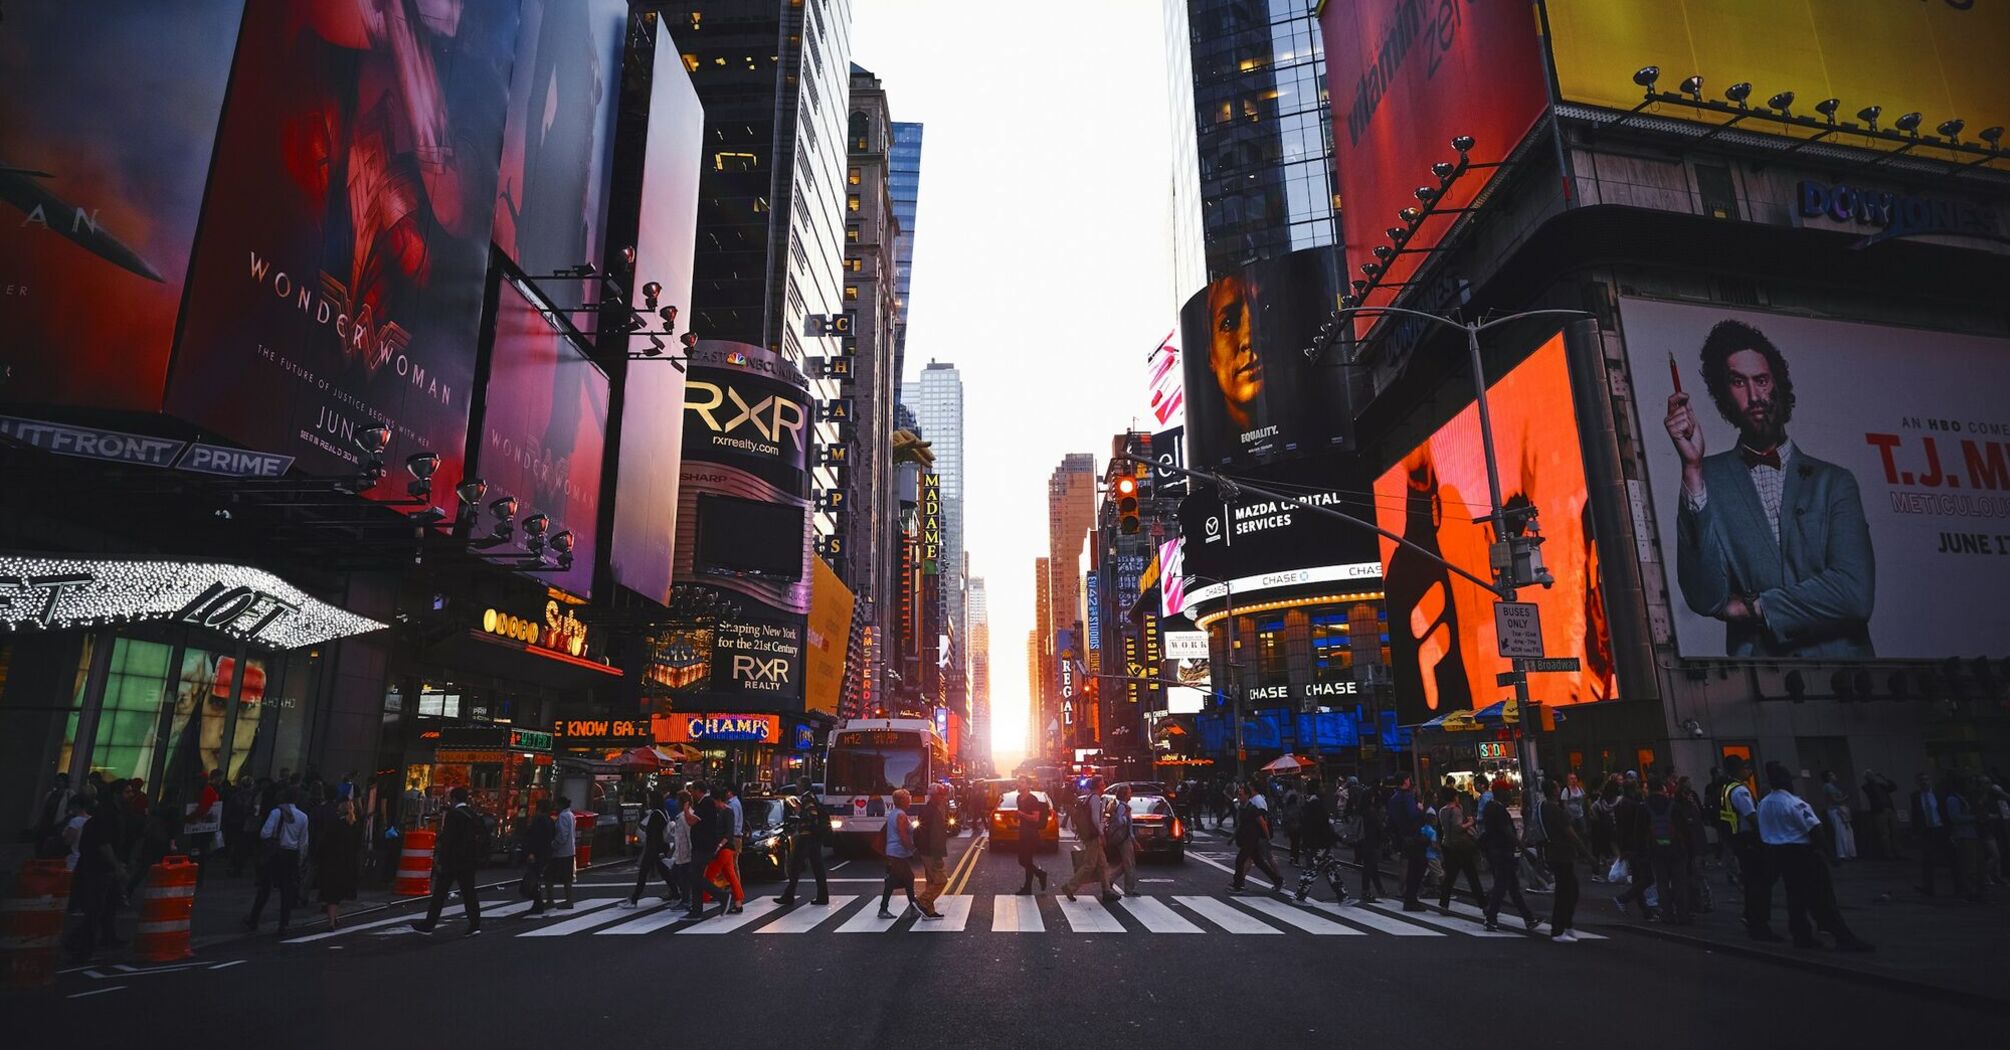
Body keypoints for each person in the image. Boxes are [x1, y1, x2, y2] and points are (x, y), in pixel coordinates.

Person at [1665, 319, 1876, 658]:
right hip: (1761, 685)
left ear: (1778, 383)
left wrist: (1755, 607)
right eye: (1738, 382)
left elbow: (1854, 594)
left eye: (1761, 380)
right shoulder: (1708, 478)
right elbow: (1706, 598)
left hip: (1849, 684)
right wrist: (1692, 468)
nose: (1754, 396)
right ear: (1723, 395)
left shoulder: (1834, 482)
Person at [1757, 763, 1871, 951]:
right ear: (1787, 783)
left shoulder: (1764, 804)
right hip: (1803, 853)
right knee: (1823, 895)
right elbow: (1814, 829)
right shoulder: (1795, 803)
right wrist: (1830, 855)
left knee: (1795, 898)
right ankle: (1841, 936)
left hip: (1779, 854)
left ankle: (1801, 935)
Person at [410, 787, 484, 937]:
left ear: (454, 799)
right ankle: (475, 924)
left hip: (452, 860)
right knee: (469, 893)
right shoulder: (473, 815)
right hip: (468, 860)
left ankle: (429, 924)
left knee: (440, 893)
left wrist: (440, 859)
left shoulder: (454, 815)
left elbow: (448, 840)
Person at [65, 793, 126, 962]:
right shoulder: (104, 819)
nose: (128, 796)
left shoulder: (97, 819)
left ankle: (94, 940)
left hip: (94, 867)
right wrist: (116, 866)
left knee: (103, 907)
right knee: (96, 909)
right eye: (125, 792)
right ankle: (81, 944)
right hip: (97, 869)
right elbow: (104, 845)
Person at [244, 788, 309, 935]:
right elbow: (303, 842)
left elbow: (265, 833)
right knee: (287, 890)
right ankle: (284, 923)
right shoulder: (303, 817)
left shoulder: (276, 813)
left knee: (265, 888)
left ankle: (254, 919)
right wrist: (300, 859)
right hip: (290, 854)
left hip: (274, 852)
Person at [1720, 756, 1772, 939]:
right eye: (1746, 767)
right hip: (1748, 839)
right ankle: (1757, 921)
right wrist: (1764, 836)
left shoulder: (1728, 788)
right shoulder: (1739, 791)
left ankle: (1752, 916)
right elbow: (1751, 816)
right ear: (1738, 769)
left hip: (1738, 838)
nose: (1749, 771)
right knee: (1757, 881)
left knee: (1752, 881)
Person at [1479, 787, 1538, 932]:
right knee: (1502, 886)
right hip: (1503, 851)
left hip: (1495, 850)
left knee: (1512, 887)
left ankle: (1528, 918)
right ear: (1501, 793)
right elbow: (1508, 832)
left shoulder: (1489, 808)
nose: (1510, 793)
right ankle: (1491, 917)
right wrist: (1524, 849)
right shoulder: (1500, 811)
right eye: (1507, 791)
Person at [1642, 773, 1694, 925]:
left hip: (1656, 849)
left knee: (1662, 883)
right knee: (1679, 882)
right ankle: (1683, 914)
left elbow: (1640, 831)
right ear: (1662, 787)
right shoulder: (1672, 805)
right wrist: (1690, 849)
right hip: (1676, 848)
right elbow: (1684, 829)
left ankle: (1667, 914)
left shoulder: (1644, 807)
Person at [1540, 778, 1587, 942]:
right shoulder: (1555, 810)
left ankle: (1565, 925)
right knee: (1566, 891)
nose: (1559, 788)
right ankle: (1559, 929)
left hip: (1555, 853)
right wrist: (1586, 853)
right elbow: (1570, 832)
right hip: (1561, 853)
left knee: (1567, 890)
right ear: (1554, 790)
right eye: (1557, 786)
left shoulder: (1545, 807)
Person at [1062, 776, 1119, 903]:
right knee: (1089, 865)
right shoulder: (1095, 798)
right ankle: (1070, 887)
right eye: (1103, 783)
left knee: (1103, 864)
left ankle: (1107, 891)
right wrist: (1101, 834)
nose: (1104, 785)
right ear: (1098, 785)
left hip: (1091, 835)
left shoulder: (1091, 797)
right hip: (1093, 836)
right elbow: (1095, 819)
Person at [1294, 778, 1348, 904]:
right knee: (1312, 870)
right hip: (1318, 844)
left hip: (1318, 843)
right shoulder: (1315, 804)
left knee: (1330, 869)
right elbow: (1322, 826)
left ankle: (1343, 896)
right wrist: (1338, 838)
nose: (1324, 789)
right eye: (1321, 787)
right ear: (1316, 789)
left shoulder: (1311, 803)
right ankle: (1299, 897)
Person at [621, 789, 677, 909]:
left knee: (644, 873)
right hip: (660, 847)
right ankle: (676, 894)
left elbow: (654, 835)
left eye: (648, 798)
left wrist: (658, 851)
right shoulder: (663, 812)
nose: (647, 800)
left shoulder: (656, 814)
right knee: (664, 872)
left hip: (654, 848)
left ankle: (634, 899)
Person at [779, 779, 832, 906]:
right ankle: (820, 896)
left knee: (796, 866)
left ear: (803, 786)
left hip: (807, 837)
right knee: (811, 867)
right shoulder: (810, 797)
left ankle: (790, 896)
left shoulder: (806, 798)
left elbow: (812, 814)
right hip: (812, 837)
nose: (796, 787)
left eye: (798, 785)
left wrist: (801, 816)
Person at [316, 798, 363, 930]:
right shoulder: (354, 825)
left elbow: (325, 844)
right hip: (348, 863)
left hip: (333, 862)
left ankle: (331, 921)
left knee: (331, 894)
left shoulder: (335, 825)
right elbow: (357, 845)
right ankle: (335, 917)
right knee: (339, 893)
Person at [1436, 790, 1484, 910]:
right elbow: (1458, 827)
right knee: (1471, 875)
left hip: (1447, 844)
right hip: (1461, 846)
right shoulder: (1456, 811)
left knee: (1450, 876)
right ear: (1455, 797)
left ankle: (1443, 903)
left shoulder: (1442, 810)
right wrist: (1470, 823)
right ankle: (1483, 903)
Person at [701, 784, 746, 914]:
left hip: (724, 848)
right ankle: (738, 903)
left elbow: (729, 833)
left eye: (714, 801)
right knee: (730, 876)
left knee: (709, 875)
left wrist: (718, 846)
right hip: (724, 848)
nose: (713, 804)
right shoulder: (721, 812)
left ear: (718, 800)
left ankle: (703, 901)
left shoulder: (728, 811)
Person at [1388, 774, 1428, 912]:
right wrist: (1419, 808)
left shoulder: (1394, 797)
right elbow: (1412, 814)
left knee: (1411, 866)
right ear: (1405, 781)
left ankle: (1409, 897)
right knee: (1419, 866)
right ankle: (1411, 898)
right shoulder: (1407, 796)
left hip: (1402, 836)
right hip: (1413, 835)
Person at [878, 788, 919, 919]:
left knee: (898, 880)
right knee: (907, 878)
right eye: (908, 798)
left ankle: (886, 908)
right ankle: (912, 908)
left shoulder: (894, 813)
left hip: (895, 852)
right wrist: (912, 849)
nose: (910, 800)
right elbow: (903, 835)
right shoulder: (900, 815)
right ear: (902, 801)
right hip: (897, 852)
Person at [684, 785, 723, 919]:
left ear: (699, 791)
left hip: (703, 847)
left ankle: (721, 895)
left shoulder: (705, 804)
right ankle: (696, 909)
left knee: (694, 875)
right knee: (696, 876)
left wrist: (686, 810)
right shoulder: (705, 804)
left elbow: (690, 821)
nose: (692, 794)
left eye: (693, 791)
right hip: (703, 846)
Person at [1946, 774, 1985, 903]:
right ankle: (1969, 891)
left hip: (1971, 833)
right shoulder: (1953, 799)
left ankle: (1973, 890)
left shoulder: (1962, 798)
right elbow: (1955, 817)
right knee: (1968, 865)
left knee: (1973, 864)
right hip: (1963, 834)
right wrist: (1975, 818)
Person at [913, 783, 950, 919]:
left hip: (924, 850)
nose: (944, 798)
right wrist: (938, 857)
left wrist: (919, 847)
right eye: (941, 795)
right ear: (934, 796)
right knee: (941, 881)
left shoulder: (926, 809)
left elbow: (918, 831)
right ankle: (922, 902)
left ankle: (928, 911)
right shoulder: (933, 811)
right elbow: (935, 836)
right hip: (932, 852)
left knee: (931, 881)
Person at [1911, 772, 1952, 897]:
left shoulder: (1939, 795)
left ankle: (1958, 884)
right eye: (1921, 780)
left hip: (1940, 828)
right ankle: (1928, 887)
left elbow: (1945, 812)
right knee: (1927, 859)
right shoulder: (1916, 796)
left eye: (1926, 780)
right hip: (1926, 830)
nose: (1924, 782)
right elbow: (1915, 814)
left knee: (1950, 856)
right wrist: (1915, 831)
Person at [1349, 778, 1387, 902]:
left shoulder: (1363, 811)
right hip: (1370, 839)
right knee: (1369, 865)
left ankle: (1379, 888)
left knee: (1371, 865)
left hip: (1365, 839)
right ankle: (1366, 890)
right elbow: (1378, 826)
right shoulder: (1371, 813)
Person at [1013, 776, 1050, 895]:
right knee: (1023, 860)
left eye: (1022, 783)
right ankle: (1038, 875)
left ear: (1028, 785)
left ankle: (1029, 886)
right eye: (1018, 782)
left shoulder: (1032, 799)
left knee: (1026, 859)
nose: (1019, 784)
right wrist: (1018, 817)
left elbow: (1035, 818)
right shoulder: (1019, 798)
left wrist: (1021, 814)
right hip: (1023, 832)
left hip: (1031, 833)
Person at [522, 799, 555, 914]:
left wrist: (531, 852)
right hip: (546, 853)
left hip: (537, 854)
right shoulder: (550, 820)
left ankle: (538, 903)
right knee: (536, 878)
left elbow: (534, 838)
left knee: (532, 878)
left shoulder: (538, 820)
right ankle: (538, 903)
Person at [1106, 784, 1139, 897]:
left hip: (1125, 837)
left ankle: (1110, 879)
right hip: (1124, 838)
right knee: (1129, 863)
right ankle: (1129, 889)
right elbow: (1120, 821)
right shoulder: (1123, 807)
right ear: (1124, 794)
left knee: (1127, 863)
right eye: (1129, 792)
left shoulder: (1123, 806)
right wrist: (1126, 815)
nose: (1131, 794)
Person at [545, 796, 577, 910]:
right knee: (567, 878)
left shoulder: (563, 816)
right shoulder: (571, 815)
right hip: (569, 850)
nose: (555, 807)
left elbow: (562, 835)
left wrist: (553, 845)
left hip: (561, 852)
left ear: (561, 805)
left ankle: (550, 900)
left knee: (549, 876)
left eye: (557, 804)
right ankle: (569, 900)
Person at [1860, 769, 1899, 860]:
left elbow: (1893, 787)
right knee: (1884, 833)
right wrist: (1875, 781)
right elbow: (1871, 792)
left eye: (1872, 774)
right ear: (1866, 778)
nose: (1872, 776)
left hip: (1890, 809)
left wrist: (1883, 778)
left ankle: (1898, 852)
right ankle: (1888, 854)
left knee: (1895, 832)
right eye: (1869, 775)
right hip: (1879, 811)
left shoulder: (1881, 785)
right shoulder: (1866, 786)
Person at [1820, 771, 1856, 861]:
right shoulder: (1828, 786)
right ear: (1828, 777)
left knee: (1846, 830)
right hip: (1835, 810)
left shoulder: (1832, 787)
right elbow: (1835, 800)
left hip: (1838, 809)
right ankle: (1843, 853)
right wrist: (1845, 797)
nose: (1835, 776)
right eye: (1832, 775)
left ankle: (1848, 852)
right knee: (1841, 831)